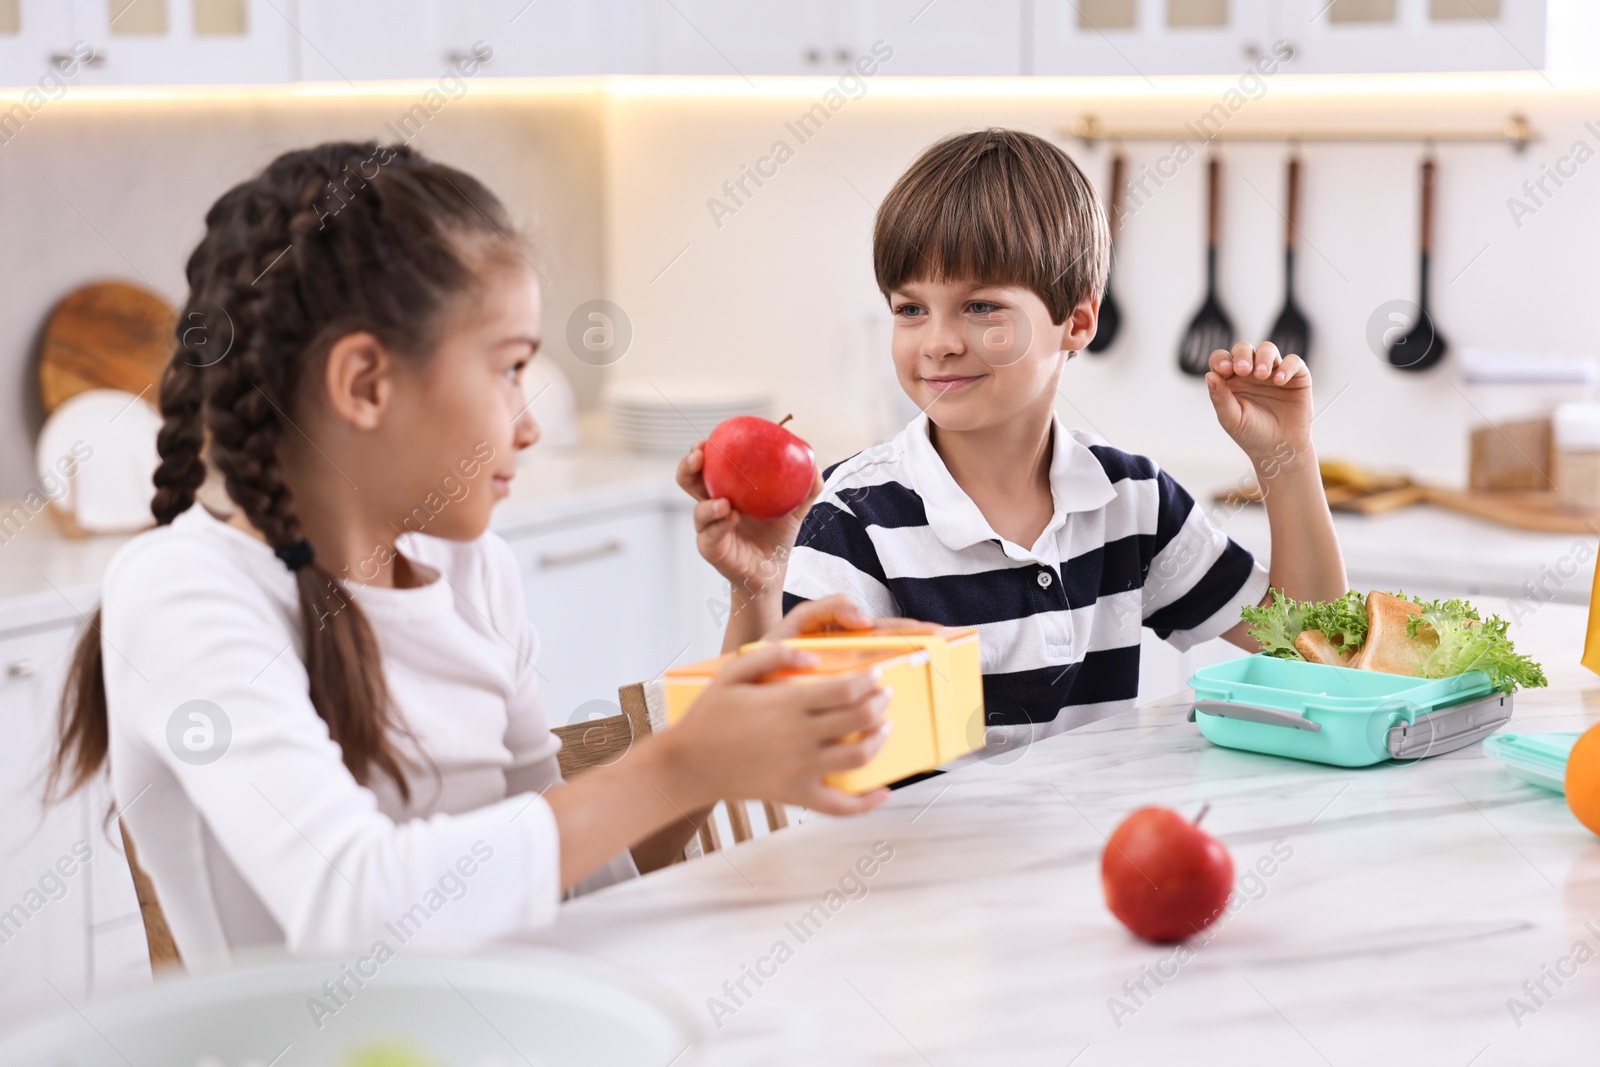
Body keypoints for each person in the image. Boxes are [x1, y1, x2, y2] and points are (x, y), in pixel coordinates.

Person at [47, 141, 894, 967]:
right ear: (365, 384)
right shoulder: (182, 592)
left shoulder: (472, 571)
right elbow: (352, 910)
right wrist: (681, 762)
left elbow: (578, 882)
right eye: (509, 367)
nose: (528, 423)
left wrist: (754, 610)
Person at [678, 128, 1346, 747]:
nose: (938, 341)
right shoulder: (854, 517)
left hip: (1083, 865)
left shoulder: (1131, 501)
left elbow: (1315, 647)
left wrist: (1284, 457)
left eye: (980, 307)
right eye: (911, 309)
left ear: (1077, 321)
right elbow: (765, 744)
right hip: (908, 870)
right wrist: (756, 590)